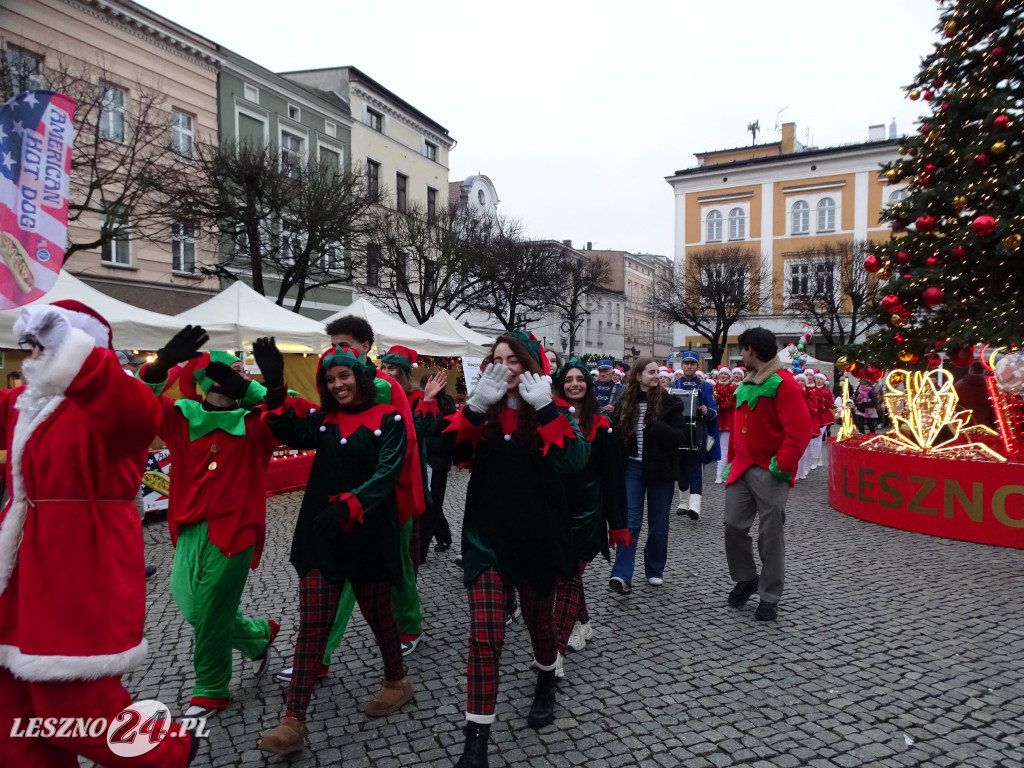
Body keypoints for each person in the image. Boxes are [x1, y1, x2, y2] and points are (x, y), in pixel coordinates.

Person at [0, 302, 196, 767]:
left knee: (74, 711)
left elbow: (136, 412)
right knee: (13, 720)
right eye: (30, 345)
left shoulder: (116, 400)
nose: (33, 354)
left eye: (43, 345)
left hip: (80, 568)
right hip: (21, 573)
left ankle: (171, 753)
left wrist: (70, 347)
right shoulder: (28, 403)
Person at [256, 340, 412, 755]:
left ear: (360, 376)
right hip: (322, 535)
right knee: (313, 626)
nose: (338, 384)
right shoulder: (325, 420)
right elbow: (286, 429)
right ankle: (293, 719)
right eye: (330, 378)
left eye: (344, 376)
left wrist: (351, 507)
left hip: (368, 534)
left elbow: (387, 473)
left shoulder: (390, 418)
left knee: (378, 616)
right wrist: (274, 384)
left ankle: (396, 679)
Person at [444, 331, 589, 768]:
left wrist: (546, 407)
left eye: (512, 360)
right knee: (484, 637)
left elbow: (576, 462)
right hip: (487, 539)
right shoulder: (483, 413)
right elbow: (448, 450)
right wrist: (473, 407)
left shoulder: (553, 409)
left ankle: (546, 678)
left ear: (529, 366)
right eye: (497, 359)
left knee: (539, 626)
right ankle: (476, 745)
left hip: (537, 538)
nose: (503, 367)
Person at [273, 316, 426, 684]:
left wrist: (381, 498)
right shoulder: (334, 378)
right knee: (355, 581)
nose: (336, 351)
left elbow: (400, 450)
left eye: (344, 343)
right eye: (332, 344)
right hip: (339, 504)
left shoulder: (384, 389)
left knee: (394, 572)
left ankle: (400, 637)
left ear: (364, 347)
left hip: (377, 500)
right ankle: (321, 657)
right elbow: (320, 423)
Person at [138, 328, 281, 719]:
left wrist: (258, 387)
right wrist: (163, 362)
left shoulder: (255, 423)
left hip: (237, 527)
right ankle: (257, 636)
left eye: (235, 371)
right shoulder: (183, 418)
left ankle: (211, 688)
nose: (228, 379)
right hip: (188, 526)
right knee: (190, 604)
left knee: (214, 606)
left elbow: (292, 417)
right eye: (219, 373)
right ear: (201, 381)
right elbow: (139, 402)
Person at [722, 328, 814, 622]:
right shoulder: (746, 383)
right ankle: (747, 578)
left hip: (769, 470)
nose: (741, 355)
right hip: (742, 468)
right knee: (732, 526)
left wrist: (780, 466)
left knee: (770, 536)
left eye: (742, 350)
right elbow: (738, 429)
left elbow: (799, 432)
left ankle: (769, 595)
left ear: (751, 350)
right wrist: (732, 460)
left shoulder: (784, 384)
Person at [552, 358, 629, 664]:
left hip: (589, 511)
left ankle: (557, 645)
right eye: (569, 379)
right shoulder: (552, 420)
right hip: (558, 509)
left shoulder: (603, 426)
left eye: (580, 379)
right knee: (567, 573)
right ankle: (582, 622)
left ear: (588, 385)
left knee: (568, 575)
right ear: (561, 386)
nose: (574, 383)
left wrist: (617, 523)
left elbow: (613, 477)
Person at [608, 357, 687, 592]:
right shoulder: (624, 401)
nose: (656, 376)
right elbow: (615, 436)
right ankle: (622, 575)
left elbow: (679, 437)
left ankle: (654, 568)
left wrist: (654, 426)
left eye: (657, 372)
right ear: (638, 375)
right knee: (630, 522)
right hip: (632, 467)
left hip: (660, 469)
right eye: (651, 372)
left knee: (659, 525)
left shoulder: (670, 403)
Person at [670, 351, 718, 519]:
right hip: (678, 432)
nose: (689, 366)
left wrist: (707, 411)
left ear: (697, 366)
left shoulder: (705, 386)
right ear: (682, 366)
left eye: (692, 364)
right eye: (686, 363)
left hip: (698, 432)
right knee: (681, 467)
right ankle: (683, 502)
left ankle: (694, 505)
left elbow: (713, 410)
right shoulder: (673, 385)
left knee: (697, 468)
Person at [712, 366, 737, 484]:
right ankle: (722, 473)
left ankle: (720, 474)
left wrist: (728, 402)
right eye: (721, 374)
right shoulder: (713, 388)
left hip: (727, 421)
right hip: (716, 420)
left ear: (729, 376)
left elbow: (735, 404)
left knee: (725, 448)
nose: (723, 376)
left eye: (725, 374)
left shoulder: (732, 388)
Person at [954, 362, 996, 428]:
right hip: (985, 425)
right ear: (983, 371)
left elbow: (953, 404)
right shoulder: (990, 386)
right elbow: (994, 406)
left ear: (970, 370)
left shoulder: (960, 384)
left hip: (965, 423)